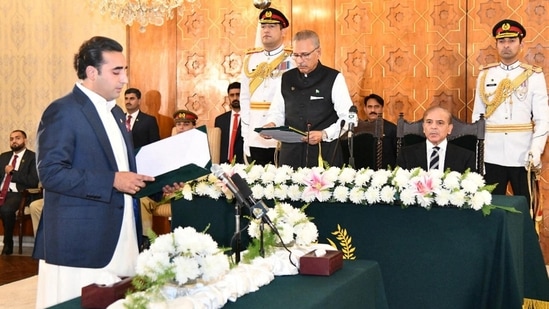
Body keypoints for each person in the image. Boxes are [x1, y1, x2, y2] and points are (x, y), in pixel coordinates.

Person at [33, 36, 155, 307]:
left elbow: (123, 170)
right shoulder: (62, 111)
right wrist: (113, 180)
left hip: (122, 235)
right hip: (79, 243)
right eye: (116, 71)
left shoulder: (116, 113)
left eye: (125, 71)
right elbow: (51, 173)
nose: (124, 80)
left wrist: (155, 183)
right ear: (91, 72)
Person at [473, 19, 549, 205]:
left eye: (512, 40)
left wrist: (536, 149)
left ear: (521, 44)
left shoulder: (534, 76)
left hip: (523, 155)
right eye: (502, 41)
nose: (506, 45)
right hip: (491, 154)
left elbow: (542, 118)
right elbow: (478, 118)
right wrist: (479, 154)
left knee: (526, 208)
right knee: (489, 208)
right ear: (496, 44)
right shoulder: (485, 75)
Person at [263, 30, 353, 168]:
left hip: (323, 153)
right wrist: (271, 124)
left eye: (305, 55)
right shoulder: (286, 78)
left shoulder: (333, 78)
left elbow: (349, 118)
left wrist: (324, 134)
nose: (300, 60)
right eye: (296, 55)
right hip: (290, 154)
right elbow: (277, 111)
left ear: (318, 52)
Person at [240, 7, 294, 165]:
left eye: (271, 26)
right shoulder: (250, 59)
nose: (266, 30)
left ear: (283, 31)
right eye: (263, 26)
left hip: (281, 132)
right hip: (255, 134)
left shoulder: (293, 58)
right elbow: (244, 99)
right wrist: (246, 134)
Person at [396, 105, 476, 173]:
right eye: (429, 122)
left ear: (449, 128)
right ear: (424, 127)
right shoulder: (406, 154)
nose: (433, 127)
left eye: (440, 123)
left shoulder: (466, 156)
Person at [0, 130, 39, 255]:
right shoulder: (4, 156)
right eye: (11, 139)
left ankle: (8, 243)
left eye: (17, 138)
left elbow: (33, 181)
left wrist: (12, 173)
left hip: (19, 194)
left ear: (25, 140)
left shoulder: (32, 157)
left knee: (6, 209)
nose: (14, 141)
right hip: (2, 191)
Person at [361, 93, 397, 168]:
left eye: (376, 107)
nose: (373, 110)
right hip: (363, 173)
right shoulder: (359, 128)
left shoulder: (392, 129)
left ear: (382, 108)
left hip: (386, 173)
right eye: (369, 107)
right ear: (365, 109)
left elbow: (397, 154)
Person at [215, 82, 244, 163]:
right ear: (228, 97)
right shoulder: (220, 120)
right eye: (232, 95)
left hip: (242, 164)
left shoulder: (249, 119)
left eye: (238, 94)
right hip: (223, 164)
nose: (235, 98)